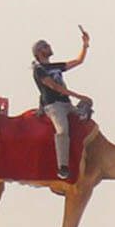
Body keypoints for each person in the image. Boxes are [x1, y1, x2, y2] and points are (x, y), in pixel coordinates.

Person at [32, 27, 93, 179]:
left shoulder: (54, 66)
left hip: (67, 104)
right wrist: (78, 95)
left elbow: (78, 61)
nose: (49, 47)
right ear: (39, 52)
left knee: (88, 103)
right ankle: (63, 167)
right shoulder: (39, 70)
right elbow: (54, 86)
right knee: (62, 131)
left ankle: (82, 116)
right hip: (54, 106)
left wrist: (85, 45)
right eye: (45, 46)